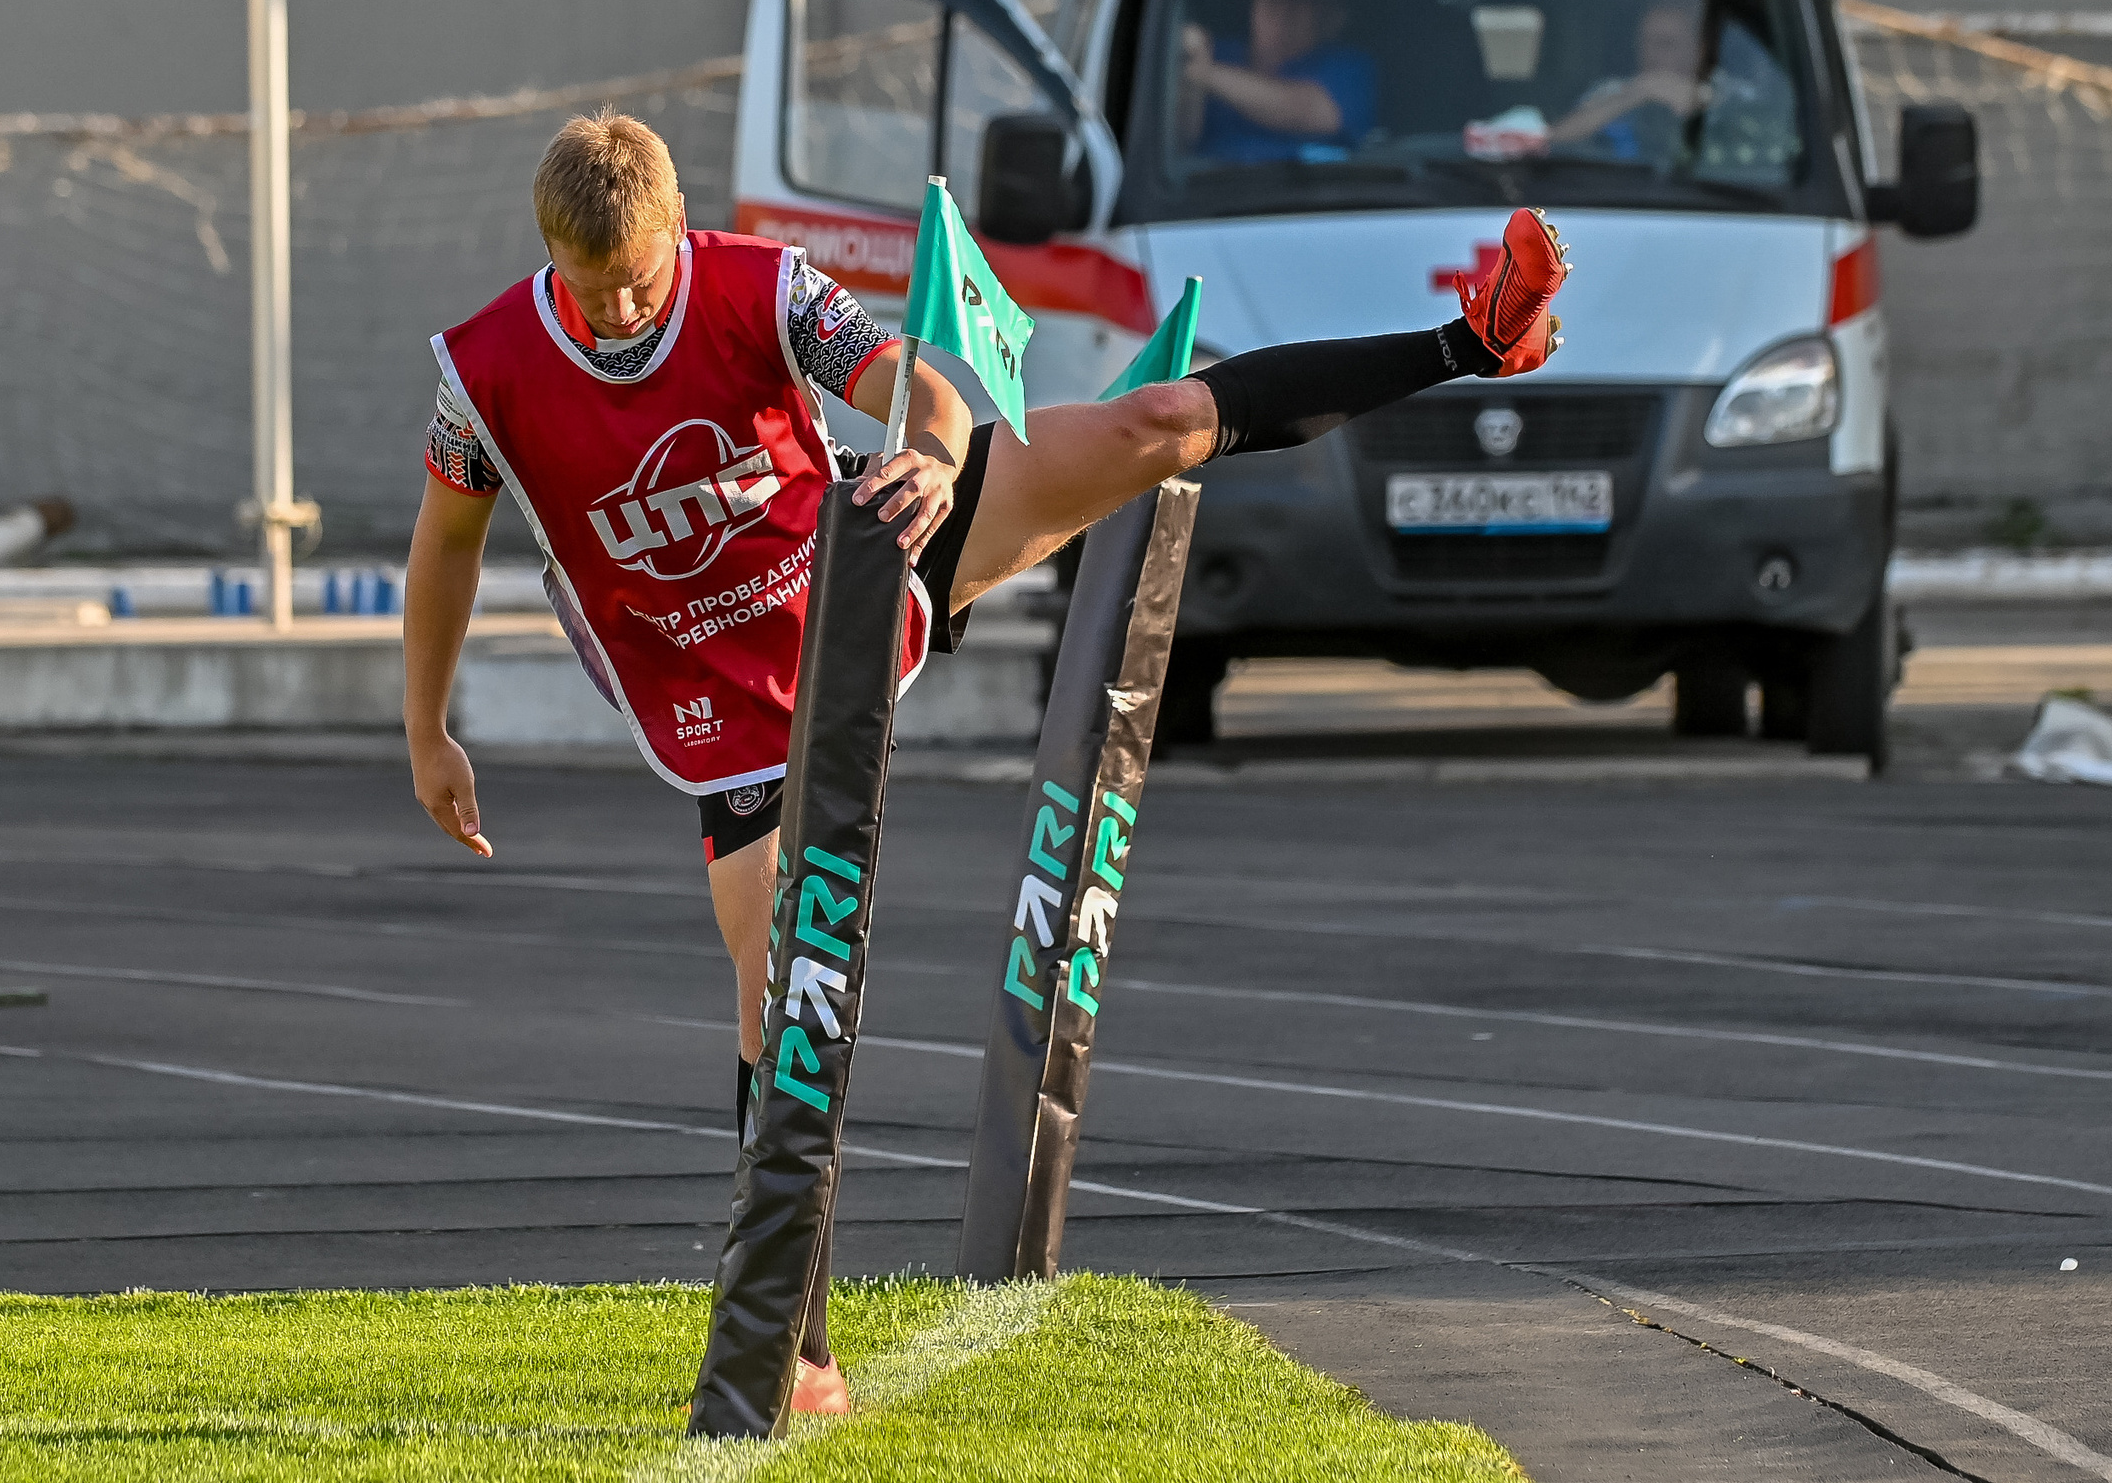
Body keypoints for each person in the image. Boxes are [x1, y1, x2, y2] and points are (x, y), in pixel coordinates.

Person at [402, 113, 1568, 1414]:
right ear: (547, 251)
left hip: (868, 543)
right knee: (776, 985)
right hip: (727, 691)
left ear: (679, 228)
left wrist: (931, 449)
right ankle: (802, 1348)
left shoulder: (762, 285)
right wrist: (426, 730)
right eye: (590, 285)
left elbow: (918, 378)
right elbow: (445, 545)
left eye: (638, 279)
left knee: (1156, 421)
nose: (619, 311)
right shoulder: (482, 375)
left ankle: (1475, 341)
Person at [1179, 0, 1378, 162]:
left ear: (1325, 15)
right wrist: (1186, 58)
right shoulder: (1214, 53)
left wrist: (1206, 74)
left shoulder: (1350, 67)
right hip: (1208, 182)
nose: (1283, 8)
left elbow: (1311, 113)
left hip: (1306, 183)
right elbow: (1179, 139)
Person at [1547, 0, 1712, 160]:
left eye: (1665, 43)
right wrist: (1633, 95)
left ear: (1697, 51)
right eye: (1645, 42)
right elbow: (1553, 141)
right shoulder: (1613, 90)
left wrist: (1701, 102)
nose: (1651, 54)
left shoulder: (1720, 94)